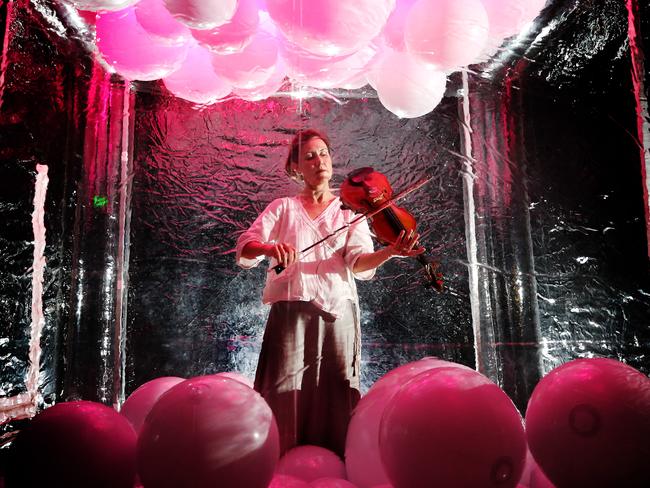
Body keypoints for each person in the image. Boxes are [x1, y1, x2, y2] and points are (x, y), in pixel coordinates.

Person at [235, 129, 423, 457]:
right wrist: (269, 248)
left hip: (339, 314)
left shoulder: (351, 211)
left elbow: (359, 265)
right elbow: (245, 249)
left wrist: (391, 251)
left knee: (338, 394)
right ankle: (276, 464)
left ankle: (336, 466)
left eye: (323, 154)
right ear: (296, 168)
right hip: (291, 312)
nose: (318, 161)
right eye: (309, 156)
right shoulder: (282, 207)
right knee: (282, 393)